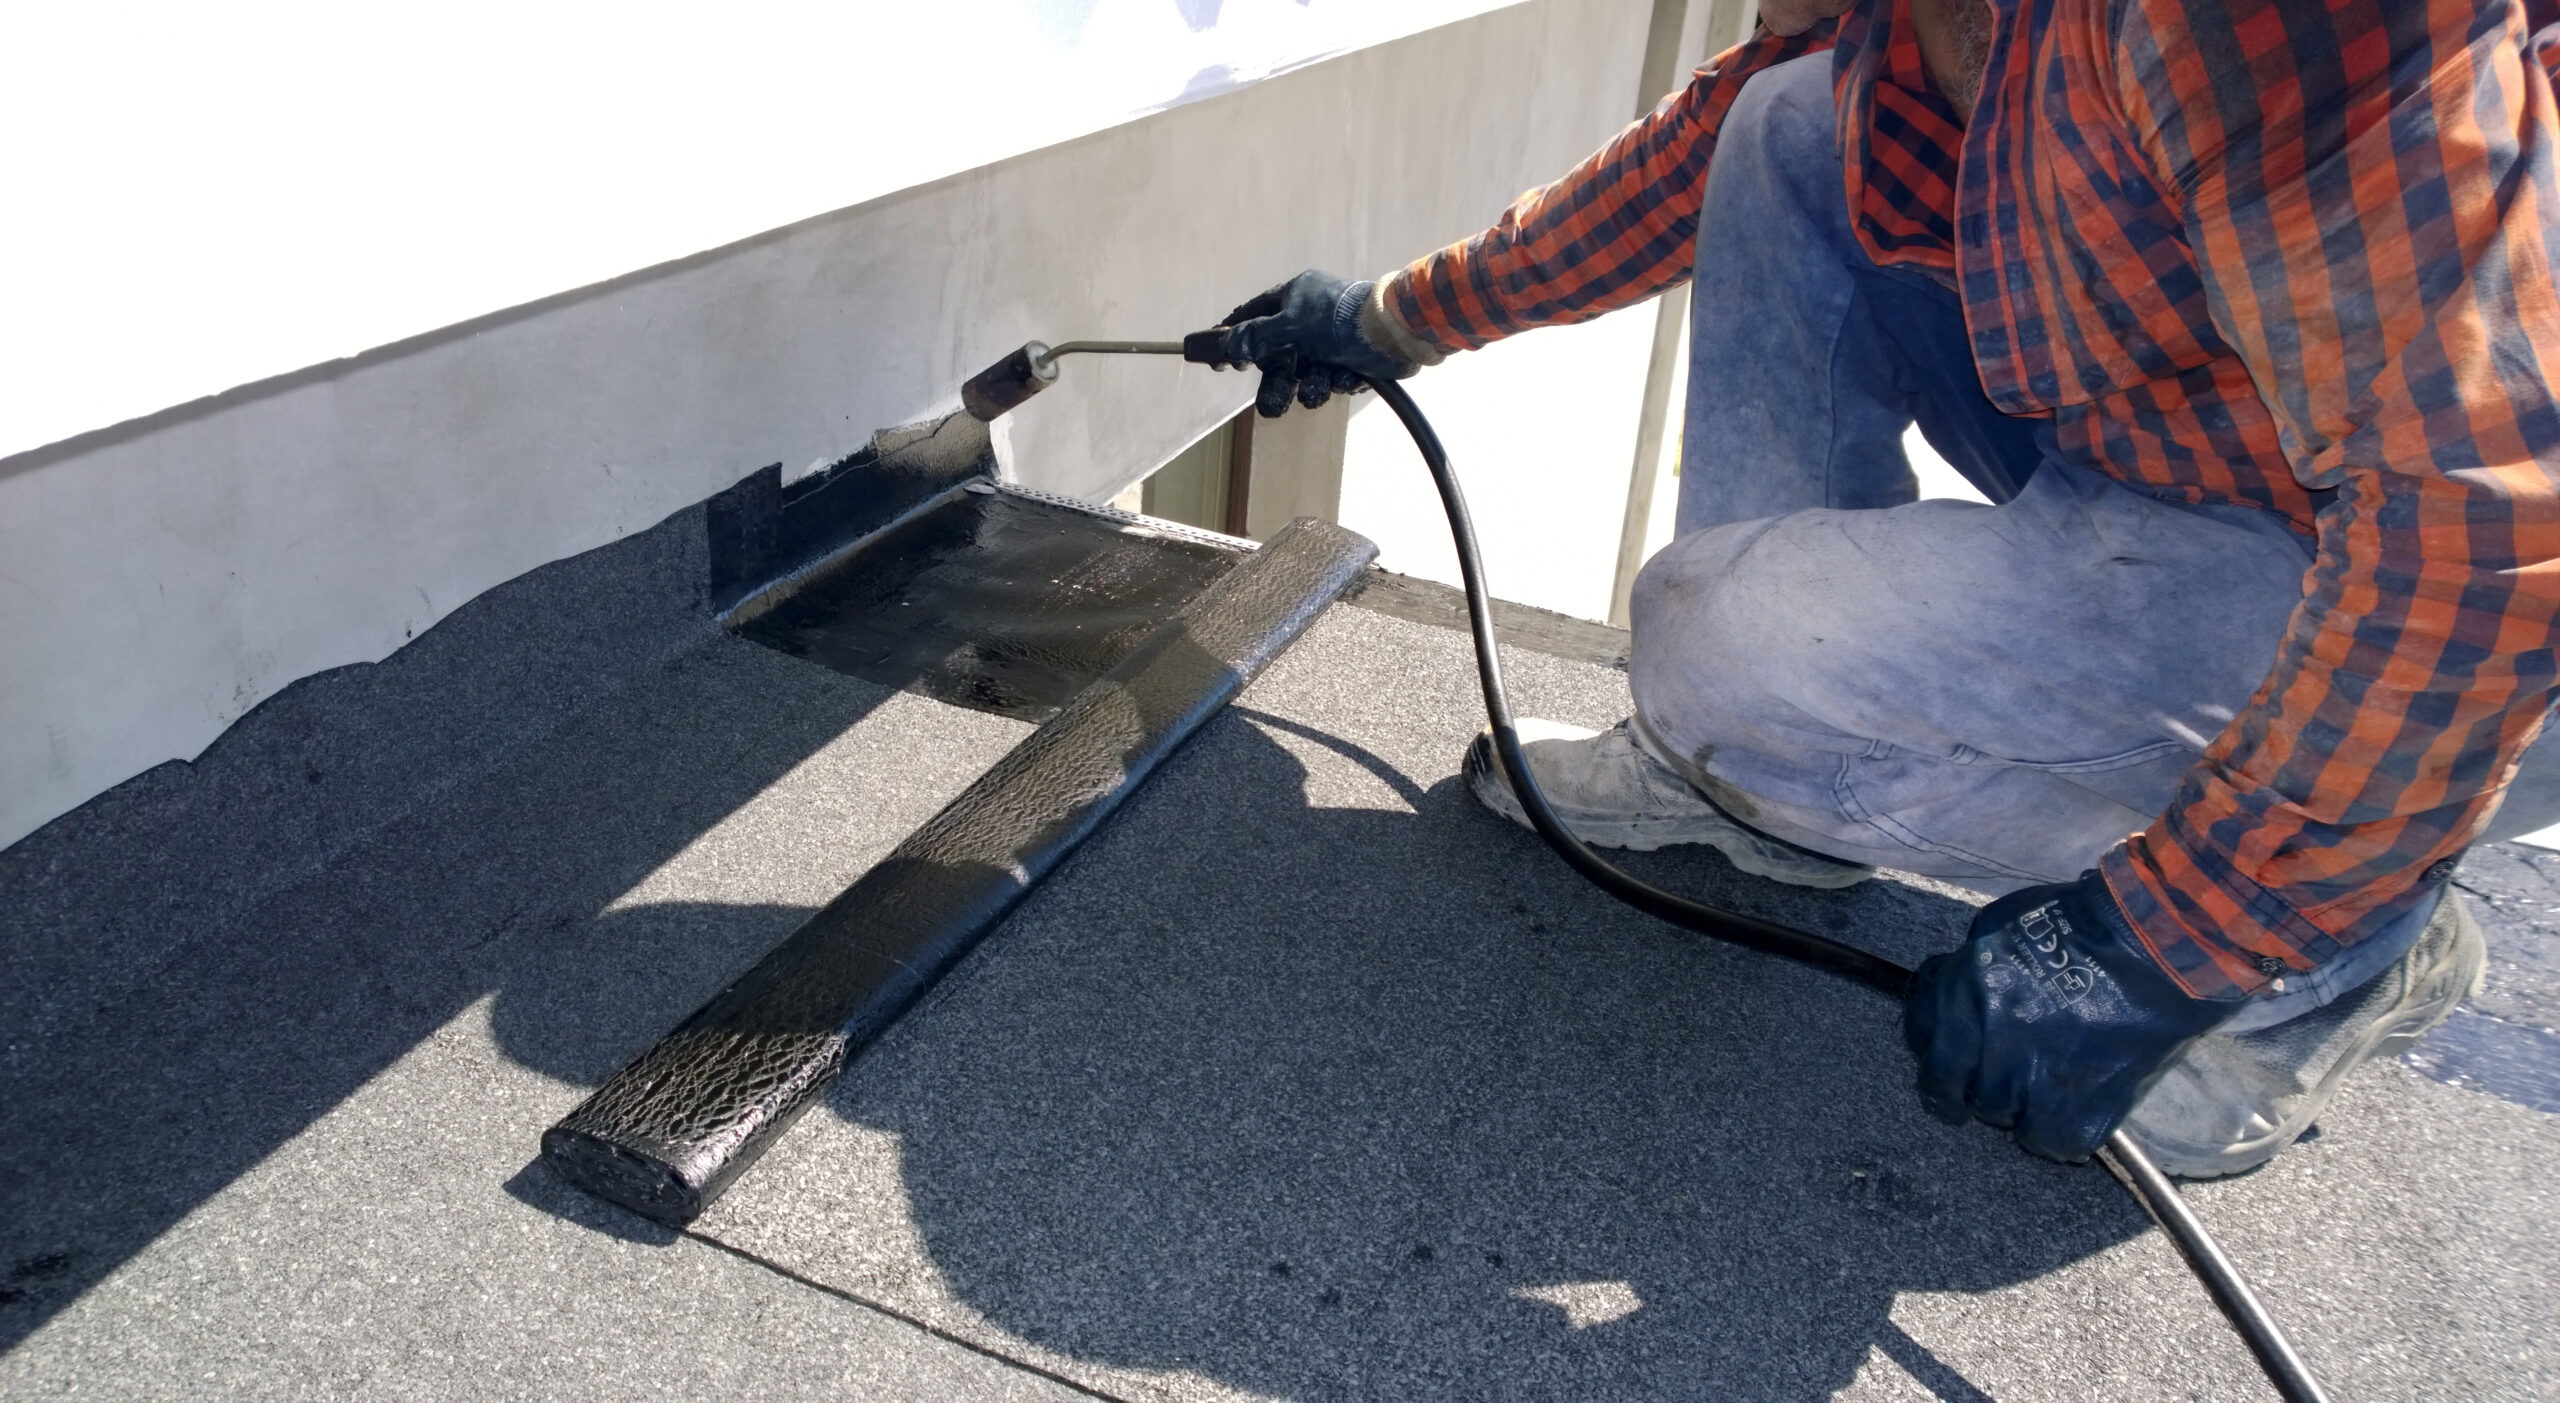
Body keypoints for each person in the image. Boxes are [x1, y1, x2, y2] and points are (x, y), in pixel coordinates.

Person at [1187, 0, 2560, 1177]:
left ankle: (2335, 953)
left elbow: (2481, 527)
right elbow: (1699, 154)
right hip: (2206, 454)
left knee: (1719, 645)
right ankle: (1773, 791)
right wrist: (1391, 320)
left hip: (2460, 614)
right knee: (1789, 127)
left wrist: (2174, 939)